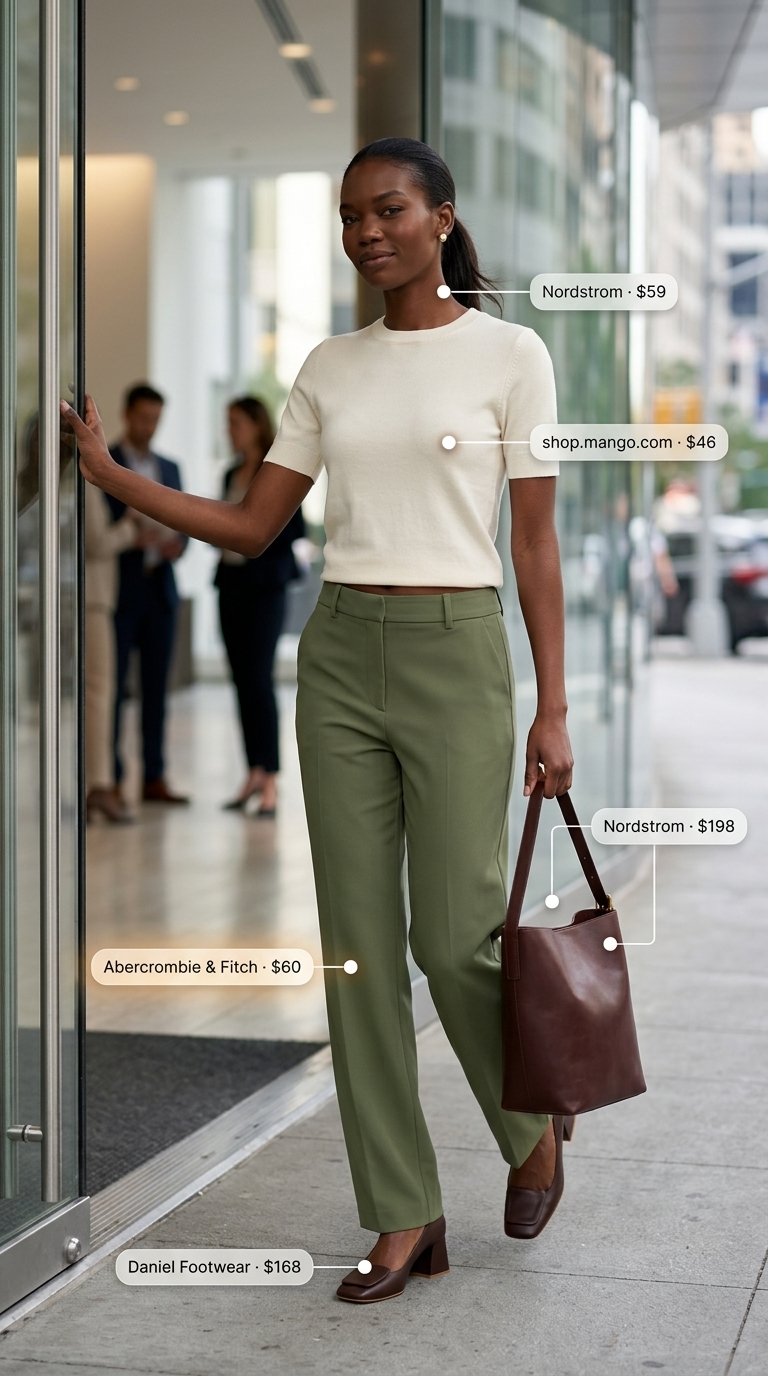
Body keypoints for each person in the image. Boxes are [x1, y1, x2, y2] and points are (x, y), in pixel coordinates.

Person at [66, 136, 574, 1305]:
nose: (366, 231)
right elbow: (253, 526)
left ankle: (531, 1123)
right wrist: (114, 473)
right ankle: (403, 1211)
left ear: (440, 217)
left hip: (457, 650)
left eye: (388, 209)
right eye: (350, 216)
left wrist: (554, 705)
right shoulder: (330, 365)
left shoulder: (513, 353)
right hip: (340, 653)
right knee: (354, 949)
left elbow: (534, 541)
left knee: (452, 935)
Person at [216, 396, 305, 816]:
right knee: (240, 681)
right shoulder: (231, 473)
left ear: (255, 424)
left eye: (235, 422)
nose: (229, 430)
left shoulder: (277, 471)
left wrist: (251, 536)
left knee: (258, 680)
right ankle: (253, 771)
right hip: (230, 585)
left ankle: (270, 779)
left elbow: (291, 530)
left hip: (264, 590)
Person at [108, 383, 189, 805]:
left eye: (156, 419)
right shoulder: (107, 462)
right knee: (114, 689)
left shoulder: (170, 468)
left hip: (160, 591)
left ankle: (153, 776)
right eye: (143, 417)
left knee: (157, 691)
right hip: (122, 591)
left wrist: (179, 546)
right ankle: (113, 778)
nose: (149, 426)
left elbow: (188, 521)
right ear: (126, 414)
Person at [84, 483, 139, 822]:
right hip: (91, 599)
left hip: (77, 597)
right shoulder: (81, 482)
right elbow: (98, 541)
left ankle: (92, 783)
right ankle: (99, 786)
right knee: (99, 692)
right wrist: (131, 527)